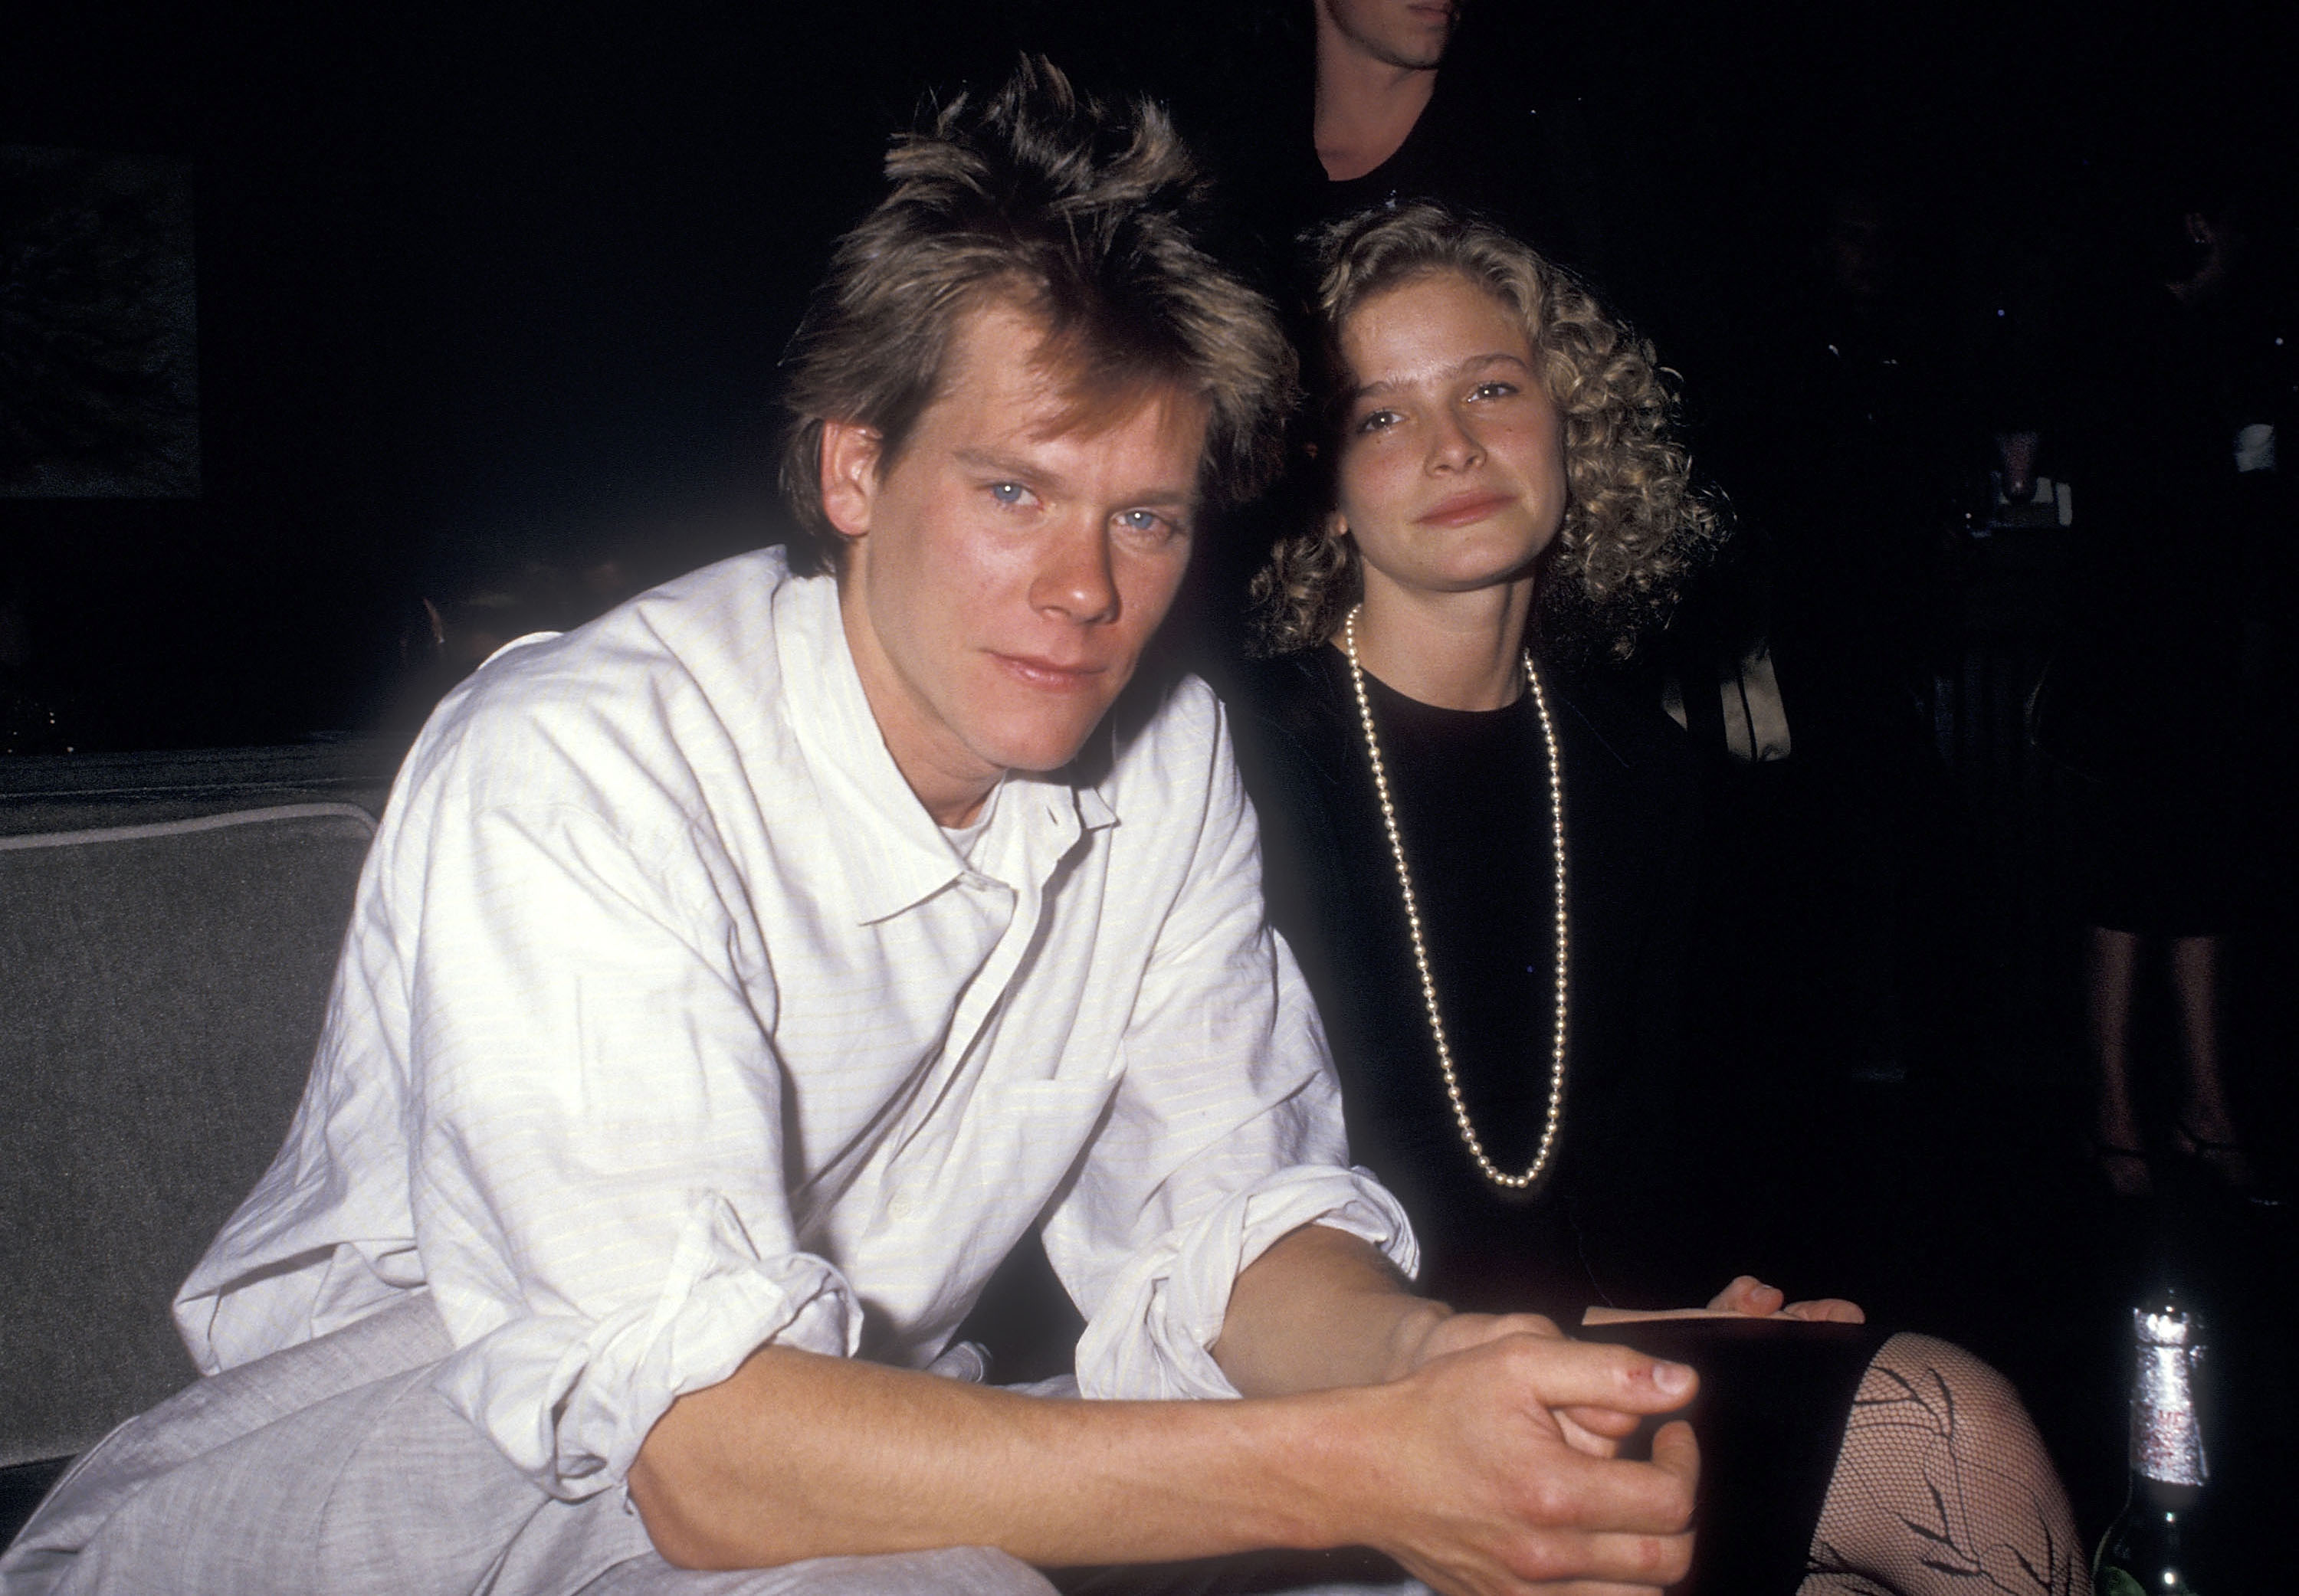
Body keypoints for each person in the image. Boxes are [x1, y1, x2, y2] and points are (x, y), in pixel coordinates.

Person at [0, 64, 1718, 1596]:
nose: (1083, 589)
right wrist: (1357, 1465)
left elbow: (1242, 1221)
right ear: (850, 473)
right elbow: (707, 1452)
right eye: (1012, 490)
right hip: (398, 1477)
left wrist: (1437, 1369)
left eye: (1144, 514)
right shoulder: (583, 761)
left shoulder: (1166, 755)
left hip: (851, 1440)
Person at [1229, 201, 2091, 1594]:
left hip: (1593, 1338)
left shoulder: (1637, 766)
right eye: (1380, 416)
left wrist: (1710, 1305)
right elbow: (1274, 1207)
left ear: (1575, 423)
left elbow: (1637, 1157)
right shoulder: (1241, 759)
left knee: (1931, 1465)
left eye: (1492, 389)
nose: (1451, 445)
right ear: (1321, 479)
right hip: (1355, 1392)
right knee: (1948, 1438)